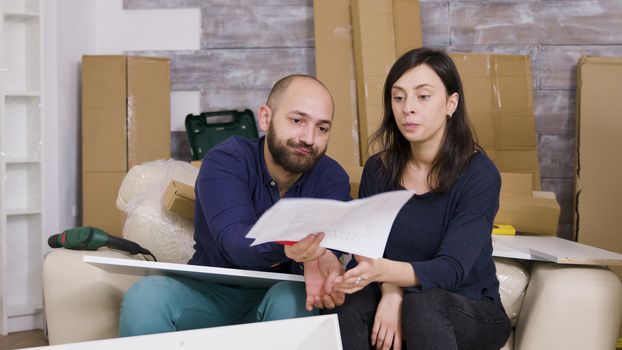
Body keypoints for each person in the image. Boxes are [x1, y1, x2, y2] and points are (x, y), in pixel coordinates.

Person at [119, 74, 350, 336]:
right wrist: (294, 247)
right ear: (265, 118)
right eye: (297, 121)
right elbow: (236, 241)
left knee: (292, 297)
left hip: (279, 293)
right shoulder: (226, 161)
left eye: (322, 128)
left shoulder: (331, 178)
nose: (309, 138)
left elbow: (339, 244)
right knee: (145, 297)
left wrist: (328, 257)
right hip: (208, 292)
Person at [331, 48, 512, 350]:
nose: (408, 108)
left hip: (468, 306)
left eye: (423, 96)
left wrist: (388, 278)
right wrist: (391, 293)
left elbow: (451, 269)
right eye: (398, 97)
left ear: (451, 104)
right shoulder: (379, 168)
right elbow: (368, 247)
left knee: (424, 306)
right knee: (348, 302)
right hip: (396, 288)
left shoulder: (479, 175)